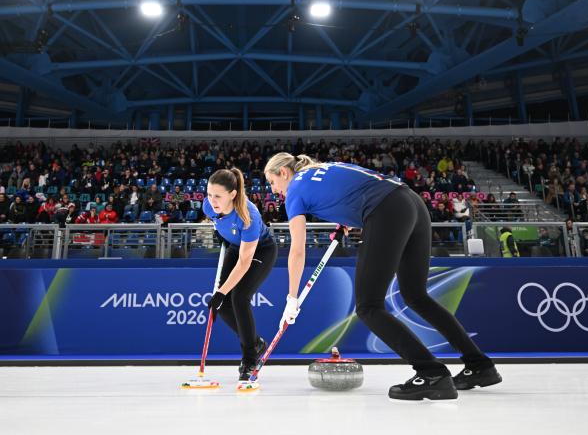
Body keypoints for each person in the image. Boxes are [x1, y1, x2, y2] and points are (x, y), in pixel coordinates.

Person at [264, 153, 500, 401]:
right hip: (412, 204)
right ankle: (480, 366)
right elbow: (355, 189)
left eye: (272, 182)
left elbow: (298, 250)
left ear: (284, 172)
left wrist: (292, 298)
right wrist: (347, 218)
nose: (274, 190)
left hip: (386, 211)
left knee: (368, 307)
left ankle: (432, 374)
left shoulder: (294, 192)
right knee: (416, 296)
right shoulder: (325, 168)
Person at [202, 168, 277, 383]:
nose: (212, 200)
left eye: (218, 196)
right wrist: (221, 236)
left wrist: (221, 291)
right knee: (222, 305)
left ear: (232, 195)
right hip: (235, 247)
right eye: (209, 194)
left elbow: (245, 261)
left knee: (239, 297)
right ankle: (255, 342)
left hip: (260, 250)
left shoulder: (248, 216)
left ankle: (250, 358)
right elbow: (220, 224)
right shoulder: (209, 207)